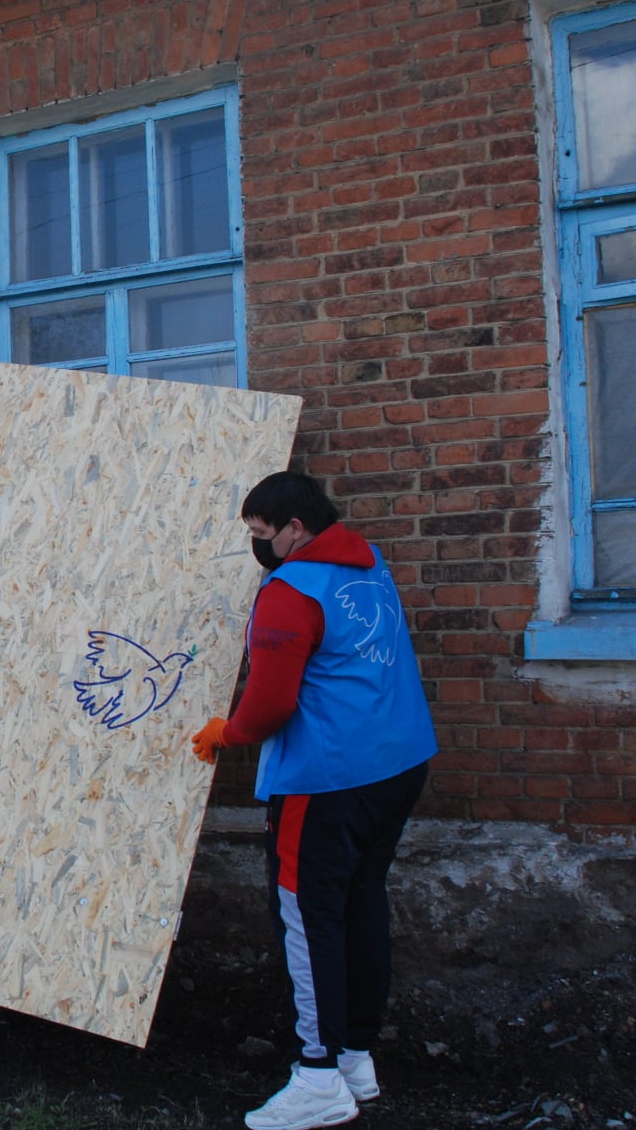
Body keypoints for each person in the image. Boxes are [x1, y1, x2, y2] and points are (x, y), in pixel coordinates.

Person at [191, 471, 438, 1130]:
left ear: (295, 529)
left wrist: (230, 733)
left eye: (261, 535)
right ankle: (357, 1057)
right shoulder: (367, 564)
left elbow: (272, 701)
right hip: (400, 761)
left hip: (327, 780)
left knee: (308, 920)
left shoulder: (289, 590)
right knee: (362, 904)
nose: (258, 548)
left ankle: (319, 1074)